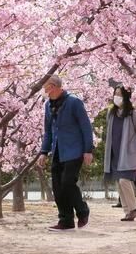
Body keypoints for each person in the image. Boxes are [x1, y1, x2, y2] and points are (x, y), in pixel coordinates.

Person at [37, 75, 94, 231]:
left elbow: (86, 127)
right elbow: (48, 131)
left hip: (74, 151)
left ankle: (82, 211)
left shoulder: (74, 102)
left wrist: (88, 150)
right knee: (57, 187)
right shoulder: (48, 105)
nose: (45, 91)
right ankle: (66, 220)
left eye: (46, 87)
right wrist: (44, 151)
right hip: (57, 151)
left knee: (68, 183)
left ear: (54, 86)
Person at [103, 85, 136, 221]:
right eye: (115, 94)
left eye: (120, 94)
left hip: (128, 154)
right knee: (119, 182)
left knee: (124, 180)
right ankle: (128, 211)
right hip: (115, 153)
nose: (117, 97)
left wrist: (135, 146)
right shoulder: (111, 114)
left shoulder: (133, 113)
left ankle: (133, 209)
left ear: (126, 97)